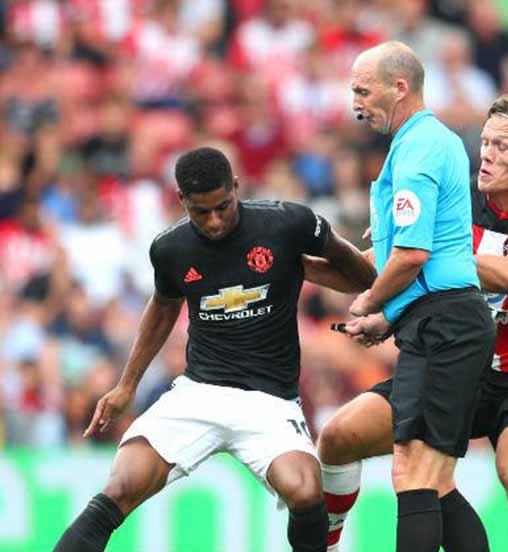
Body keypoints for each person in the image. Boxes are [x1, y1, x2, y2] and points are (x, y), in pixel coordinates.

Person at [53, 146, 377, 552]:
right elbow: (163, 307)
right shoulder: (170, 249)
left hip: (270, 400)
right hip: (198, 392)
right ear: (181, 202)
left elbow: (358, 276)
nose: (215, 220)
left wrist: (314, 269)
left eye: (223, 206)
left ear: (236, 188)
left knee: (308, 490)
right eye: (200, 212)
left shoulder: (287, 223)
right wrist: (126, 386)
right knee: (119, 486)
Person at [315, 95, 508, 552]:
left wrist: (421, 248)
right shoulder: (459, 205)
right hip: (453, 364)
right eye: (485, 143)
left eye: (503, 146)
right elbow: (374, 266)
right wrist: (291, 260)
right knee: (340, 437)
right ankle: (328, 544)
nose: (487, 155)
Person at [322, 41, 496, 552]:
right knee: (428, 477)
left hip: (446, 326)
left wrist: (368, 301)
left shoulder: (420, 147)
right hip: (436, 323)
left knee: (414, 473)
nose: (355, 101)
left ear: (400, 87)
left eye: (362, 89)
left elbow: (412, 254)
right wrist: (389, 318)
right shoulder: (414, 144)